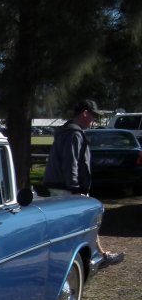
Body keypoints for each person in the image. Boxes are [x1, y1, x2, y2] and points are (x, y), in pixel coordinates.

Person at [43, 99, 124, 266]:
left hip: (60, 186)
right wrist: (75, 188)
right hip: (66, 188)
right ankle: (87, 258)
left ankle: (101, 255)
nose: (94, 120)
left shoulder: (68, 131)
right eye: (93, 116)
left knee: (85, 222)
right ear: (85, 113)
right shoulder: (73, 134)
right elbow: (70, 162)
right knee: (83, 222)